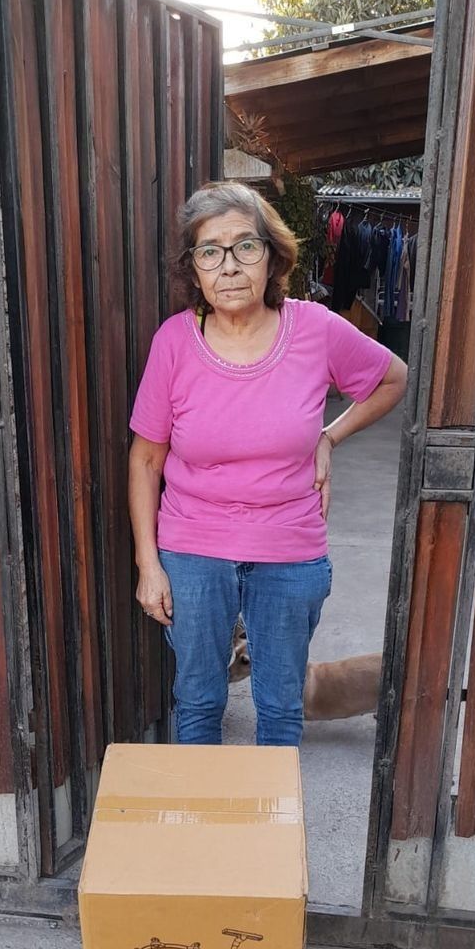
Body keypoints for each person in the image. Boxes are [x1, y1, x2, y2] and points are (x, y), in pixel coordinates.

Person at [127, 181, 407, 746]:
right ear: (194, 269)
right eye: (210, 251)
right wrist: (148, 565)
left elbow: (391, 377)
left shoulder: (315, 329)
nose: (228, 266)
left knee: (280, 706)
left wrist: (329, 435)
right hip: (193, 549)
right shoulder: (175, 342)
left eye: (244, 247)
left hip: (289, 550)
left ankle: (269, 832)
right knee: (199, 699)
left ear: (271, 255)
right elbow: (146, 458)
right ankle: (204, 827)